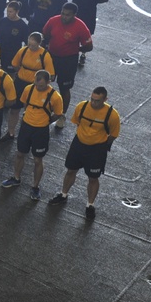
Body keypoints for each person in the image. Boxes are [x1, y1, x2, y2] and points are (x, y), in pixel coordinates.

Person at [47, 87, 120, 219]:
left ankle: (90, 205)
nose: (94, 103)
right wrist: (85, 137)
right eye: (92, 99)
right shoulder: (82, 106)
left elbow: (113, 135)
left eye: (97, 101)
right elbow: (77, 122)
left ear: (105, 99)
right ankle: (63, 195)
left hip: (97, 150)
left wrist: (99, 141)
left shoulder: (112, 115)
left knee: (93, 178)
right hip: (78, 145)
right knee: (70, 170)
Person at [1, 70, 64, 200]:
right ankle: (16, 178)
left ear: (48, 82)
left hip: (41, 131)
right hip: (26, 127)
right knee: (20, 154)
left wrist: (46, 121)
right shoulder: (28, 89)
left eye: (41, 85)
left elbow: (58, 114)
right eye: (36, 84)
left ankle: (35, 187)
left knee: (37, 160)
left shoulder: (55, 97)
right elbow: (25, 104)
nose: (37, 87)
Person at [42, 2, 93, 128]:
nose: (64, 17)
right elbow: (46, 35)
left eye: (68, 15)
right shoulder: (53, 21)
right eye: (63, 13)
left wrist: (75, 48)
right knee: (43, 83)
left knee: (64, 88)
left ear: (74, 15)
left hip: (68, 60)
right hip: (52, 57)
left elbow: (89, 46)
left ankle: (61, 115)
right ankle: (39, 107)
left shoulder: (81, 26)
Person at [5, 31, 53, 139]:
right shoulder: (23, 51)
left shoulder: (45, 55)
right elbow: (15, 64)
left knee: (30, 110)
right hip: (20, 83)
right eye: (29, 44)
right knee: (14, 109)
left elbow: (49, 74)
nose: (30, 47)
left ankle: (27, 133)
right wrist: (23, 73)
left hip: (34, 86)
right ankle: (10, 132)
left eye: (33, 45)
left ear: (39, 43)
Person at [67, 0, 110, 64]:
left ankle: (83, 53)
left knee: (86, 34)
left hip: (89, 12)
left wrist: (94, 1)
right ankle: (73, 52)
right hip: (77, 11)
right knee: (73, 31)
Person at [0, 0, 29, 71]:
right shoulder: (2, 21)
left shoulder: (22, 26)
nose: (8, 14)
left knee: (10, 72)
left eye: (10, 12)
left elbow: (26, 42)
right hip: (0, 51)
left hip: (12, 54)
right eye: (7, 11)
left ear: (17, 12)